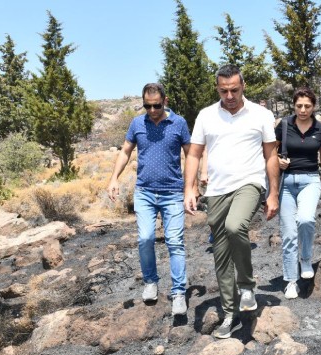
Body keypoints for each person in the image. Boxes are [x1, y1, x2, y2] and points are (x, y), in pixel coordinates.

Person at [183, 65, 279, 339]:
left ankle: (247, 285)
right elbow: (194, 154)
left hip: (250, 182)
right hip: (217, 190)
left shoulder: (261, 114)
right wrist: (189, 188)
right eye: (223, 91)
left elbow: (271, 155)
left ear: (243, 86)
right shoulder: (206, 115)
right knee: (221, 252)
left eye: (234, 90)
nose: (229, 96)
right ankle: (229, 313)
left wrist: (273, 193)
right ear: (217, 88)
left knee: (236, 226)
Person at [106, 83, 190, 315]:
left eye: (156, 105)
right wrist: (114, 178)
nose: (152, 110)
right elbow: (125, 151)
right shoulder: (137, 123)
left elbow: (191, 154)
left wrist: (191, 185)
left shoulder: (179, 123)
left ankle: (179, 293)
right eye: (147, 106)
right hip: (144, 192)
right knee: (145, 238)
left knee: (175, 241)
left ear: (165, 101)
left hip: (172, 192)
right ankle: (150, 281)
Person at [276, 88, 321, 299]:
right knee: (289, 233)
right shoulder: (283, 125)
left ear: (313, 107)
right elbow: (270, 152)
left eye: (307, 106)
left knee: (306, 219)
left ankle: (306, 259)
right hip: (286, 182)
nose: (302, 110)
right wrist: (278, 161)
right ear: (293, 105)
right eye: (299, 106)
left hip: (310, 180)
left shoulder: (320, 128)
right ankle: (291, 281)